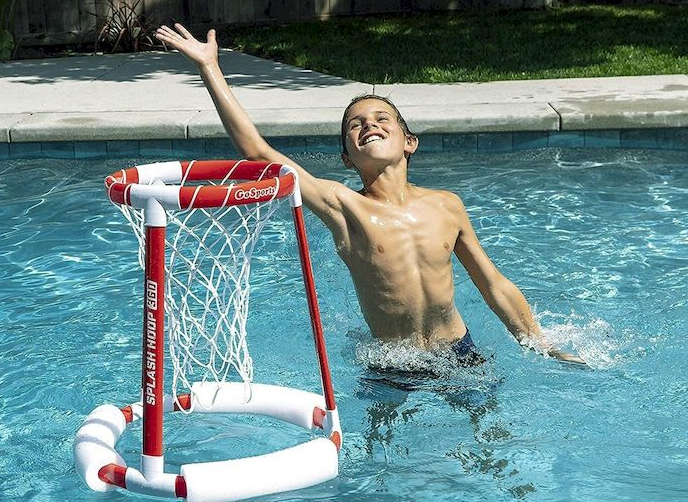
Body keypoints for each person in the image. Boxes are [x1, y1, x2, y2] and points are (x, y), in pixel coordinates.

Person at [154, 23, 585, 366]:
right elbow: (258, 153)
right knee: (382, 464)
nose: (369, 125)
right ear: (346, 157)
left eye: (382, 118)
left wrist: (540, 344)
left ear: (409, 141)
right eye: (355, 125)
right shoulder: (344, 206)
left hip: (458, 352)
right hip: (391, 362)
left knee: (488, 443)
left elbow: (492, 283)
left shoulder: (446, 205)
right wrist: (209, 68)